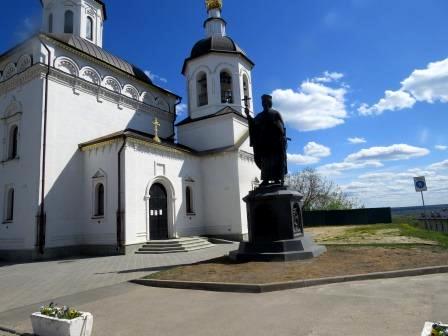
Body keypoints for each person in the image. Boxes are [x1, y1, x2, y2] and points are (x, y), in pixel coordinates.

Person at [245, 94, 288, 186]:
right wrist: (248, 115)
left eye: (266, 102)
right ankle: (266, 179)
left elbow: (281, 127)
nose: (264, 104)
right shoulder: (259, 116)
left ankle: (277, 179)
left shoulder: (275, 113)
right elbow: (253, 125)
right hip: (264, 144)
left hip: (275, 144)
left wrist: (282, 138)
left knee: (276, 161)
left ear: (269, 103)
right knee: (265, 162)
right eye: (263, 102)